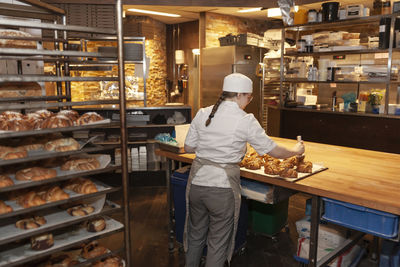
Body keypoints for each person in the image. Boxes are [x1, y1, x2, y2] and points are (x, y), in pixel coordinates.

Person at [183, 73, 305, 267]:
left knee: (195, 235)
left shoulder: (203, 113)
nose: (248, 102)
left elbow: (189, 148)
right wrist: (295, 150)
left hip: (196, 185)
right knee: (217, 243)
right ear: (239, 95)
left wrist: (211, 146)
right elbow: (271, 149)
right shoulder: (245, 120)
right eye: (249, 98)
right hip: (221, 190)